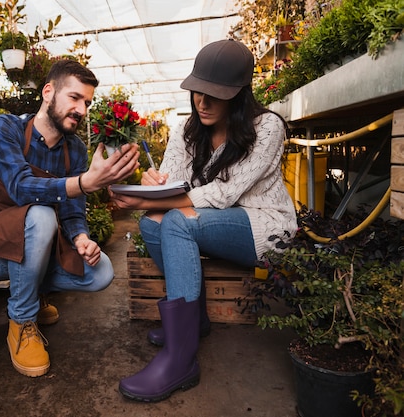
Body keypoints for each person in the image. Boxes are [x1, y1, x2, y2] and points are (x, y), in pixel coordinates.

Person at [109, 39, 298, 402]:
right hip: (212, 219)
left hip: (265, 226)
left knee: (175, 222)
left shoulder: (267, 127)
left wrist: (149, 201)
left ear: (241, 93)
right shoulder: (187, 130)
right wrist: (151, 187)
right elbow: (170, 181)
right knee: (151, 222)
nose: (202, 102)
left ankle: (181, 360)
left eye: (215, 93)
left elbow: (225, 192)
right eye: (197, 90)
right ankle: (193, 322)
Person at [0, 59, 140, 378]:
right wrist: (83, 183)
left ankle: (31, 291)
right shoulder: (7, 128)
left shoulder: (75, 150)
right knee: (42, 216)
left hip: (32, 246)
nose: (81, 109)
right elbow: (19, 187)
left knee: (102, 273)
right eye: (74, 97)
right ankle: (22, 321)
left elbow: (72, 213)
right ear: (48, 92)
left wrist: (82, 239)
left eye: (87, 102)